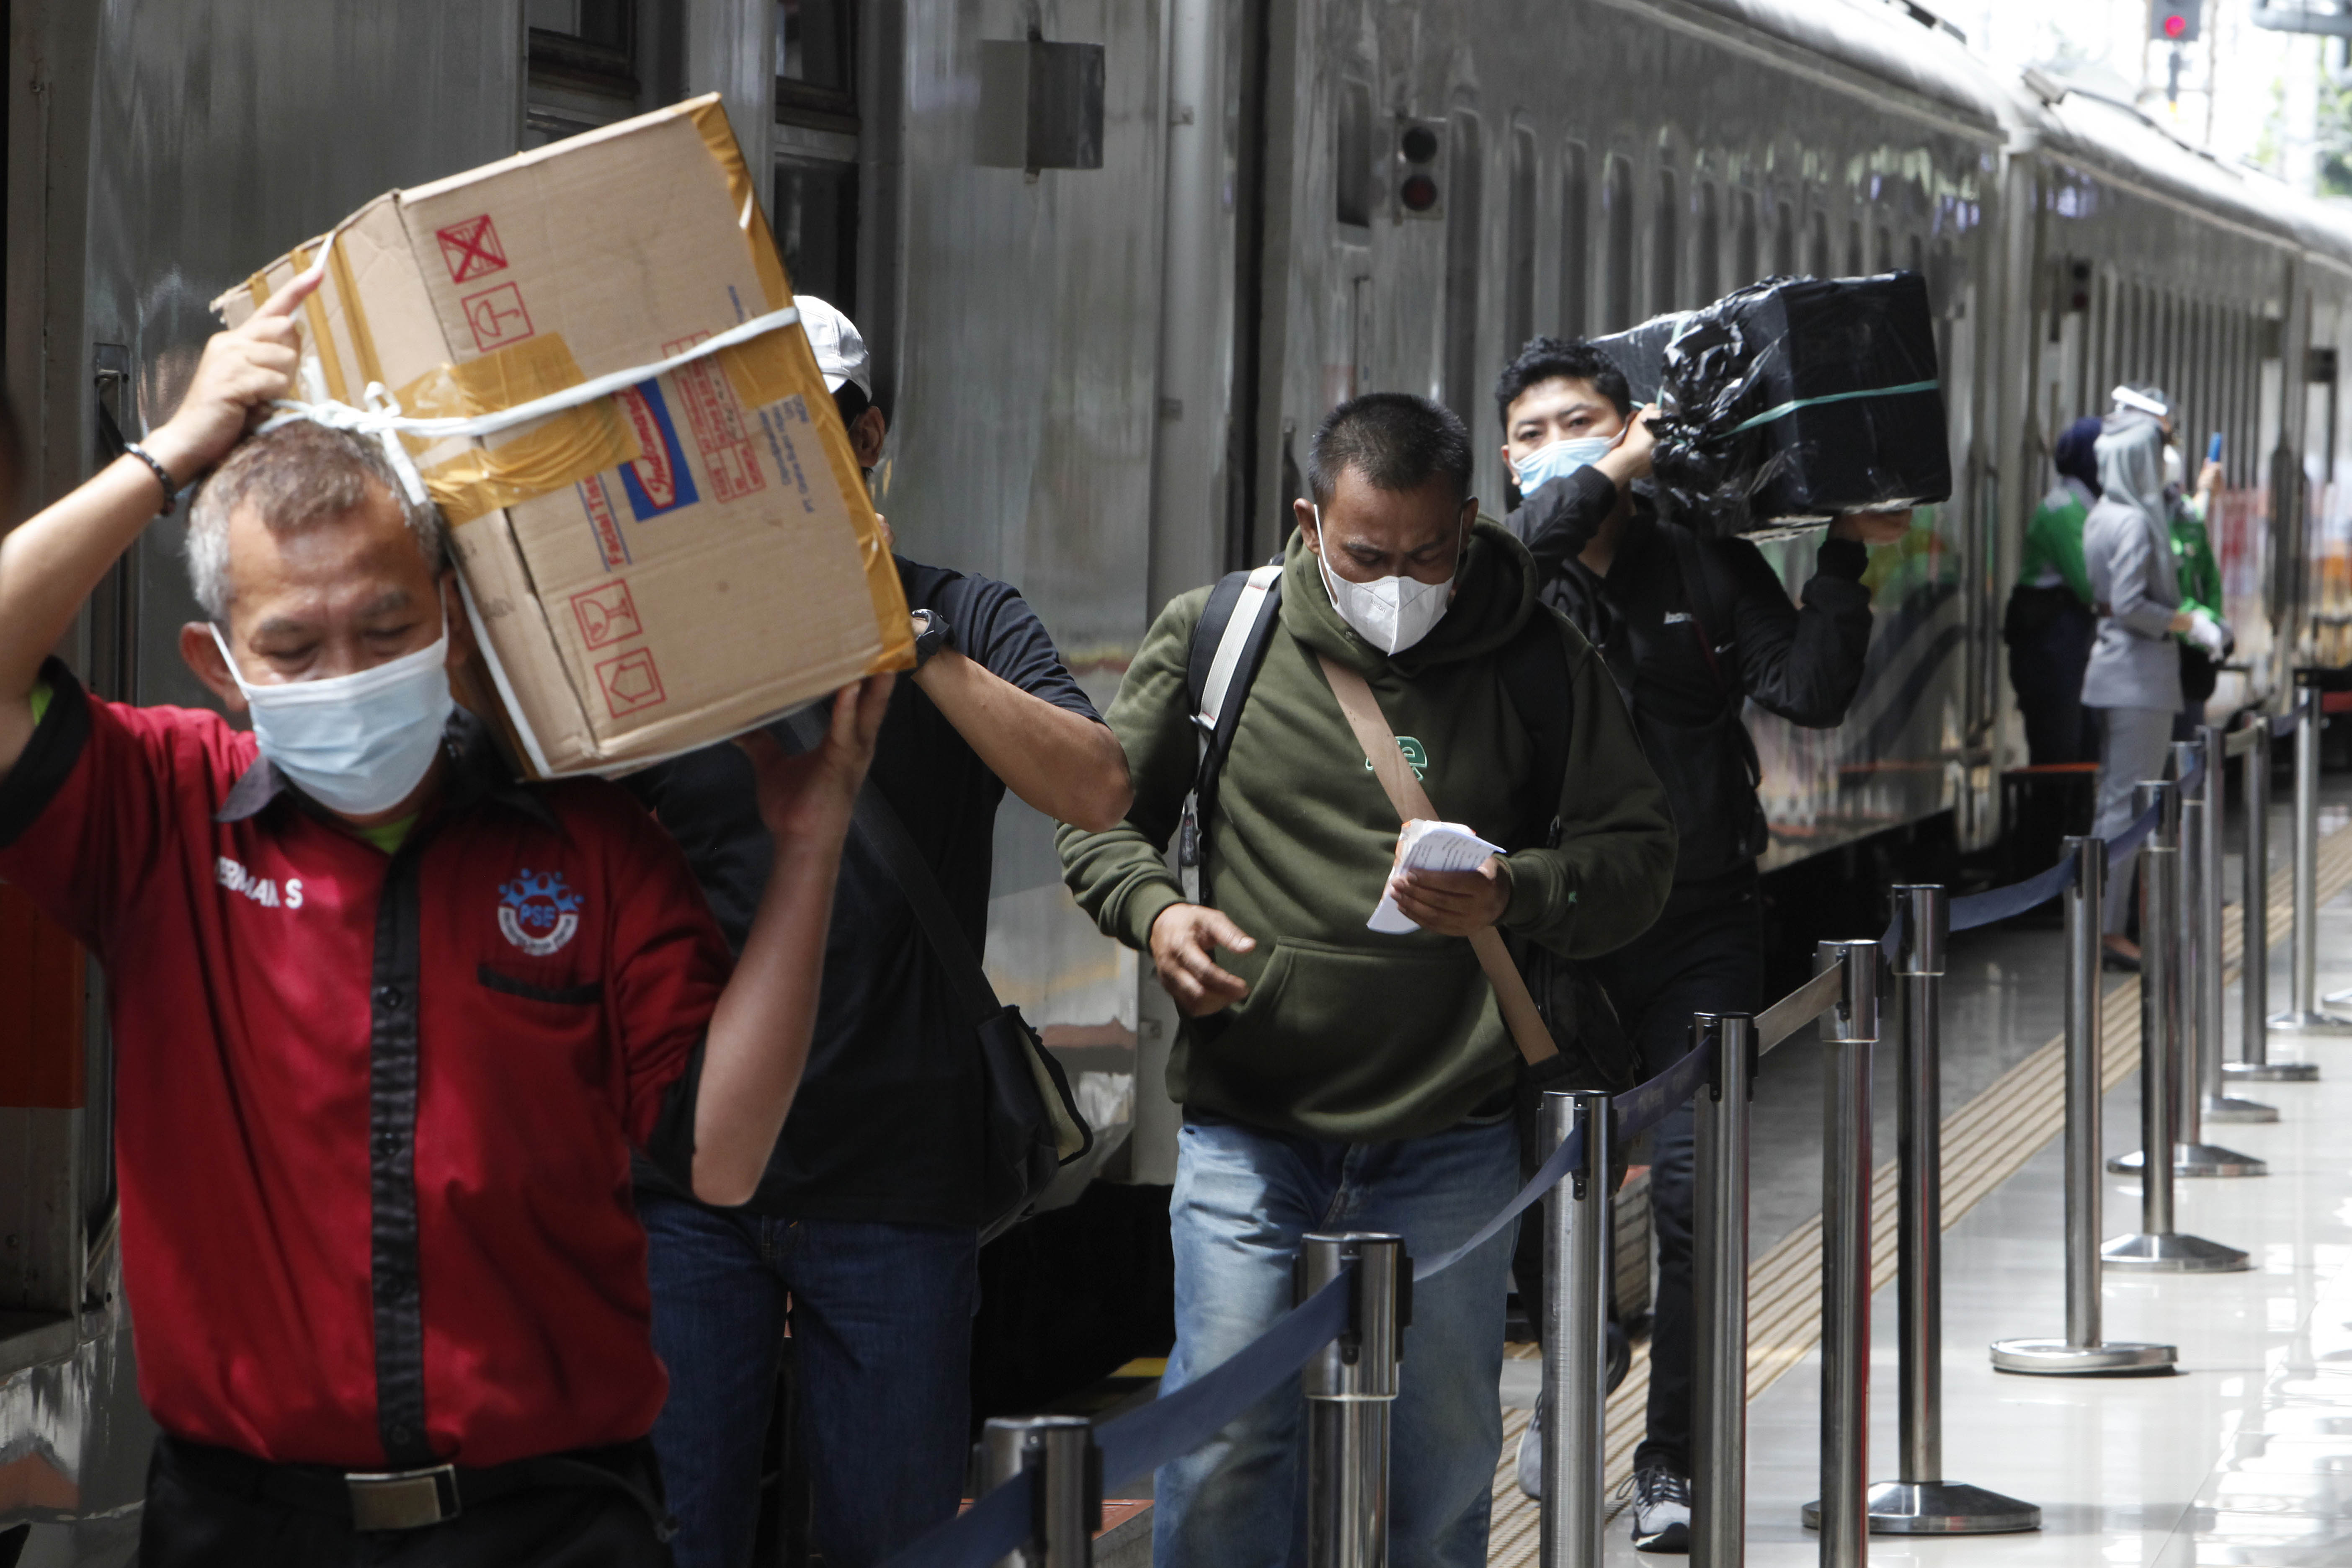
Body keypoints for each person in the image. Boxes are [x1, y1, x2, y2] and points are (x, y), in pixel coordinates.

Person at [0, 275, 890, 1566]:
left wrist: (807, 849)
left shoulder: (591, 850)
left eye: (386, 626)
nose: (347, 676)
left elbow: (721, 1159)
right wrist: (169, 454)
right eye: (293, 650)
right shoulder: (160, 819)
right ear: (221, 668)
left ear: (451, 616)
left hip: (546, 1525)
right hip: (246, 1530)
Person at [1057, 391, 1676, 1568]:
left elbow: (1642, 858)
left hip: (1451, 1134)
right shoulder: (1218, 636)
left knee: (1439, 1460)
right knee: (1228, 1441)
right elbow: (1098, 825)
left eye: (1430, 553)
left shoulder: (1539, 655)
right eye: (1367, 555)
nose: (1401, 581)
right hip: (1253, 1126)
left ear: (1471, 521)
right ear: (1309, 521)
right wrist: (1160, 912)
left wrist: (1516, 891)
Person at [624, 297, 1133, 1568]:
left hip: (899, 1181)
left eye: (812, 433)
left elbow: (1096, 786)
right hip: (684, 1178)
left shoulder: (965, 612)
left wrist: (912, 646)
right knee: (676, 1529)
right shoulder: (661, 647)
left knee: (889, 1540)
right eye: (750, 443)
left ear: (869, 439)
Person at [1495, 336, 1900, 1554]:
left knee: (1689, 1199)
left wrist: (1844, 558)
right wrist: (1601, 475)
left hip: (1701, 922)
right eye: (1530, 431)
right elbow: (1523, 556)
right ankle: (1581, 1362)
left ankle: (1670, 1459)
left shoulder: (1703, 564)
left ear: (1638, 428)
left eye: (1584, 419)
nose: (1554, 444)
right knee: (1538, 1205)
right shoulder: (1523, 575)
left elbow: (1810, 689)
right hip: (1557, 935)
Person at [2082, 403, 2219, 969]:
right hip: (2140, 676)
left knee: (2112, 804)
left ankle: (2100, 920)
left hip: (2109, 672)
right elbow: (2136, 604)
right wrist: (2190, 623)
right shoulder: (2138, 523)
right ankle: (2108, 929)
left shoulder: (2101, 515)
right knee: (2127, 807)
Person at [2006, 416, 2104, 765]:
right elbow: (2090, 586)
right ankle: (2056, 819)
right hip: (2050, 647)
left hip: (2062, 643)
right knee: (2060, 749)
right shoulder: (2065, 512)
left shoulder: (2078, 508)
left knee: (2078, 744)